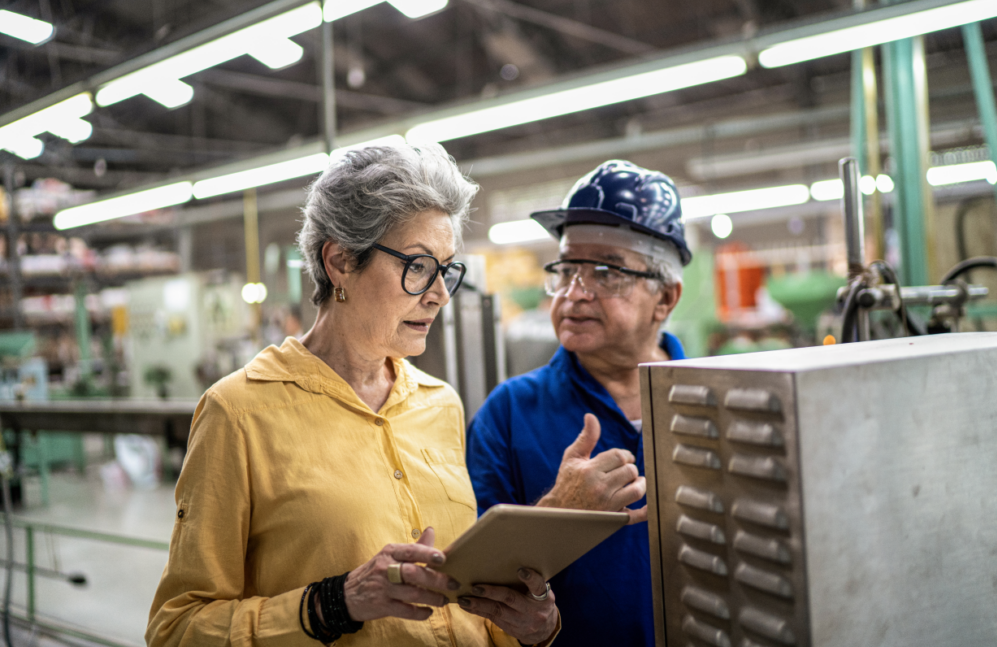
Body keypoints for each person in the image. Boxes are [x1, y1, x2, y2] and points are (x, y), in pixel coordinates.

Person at [147, 143, 559, 647]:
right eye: (417, 266)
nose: (439, 293)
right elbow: (176, 629)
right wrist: (335, 603)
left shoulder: (440, 404)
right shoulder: (239, 413)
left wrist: (530, 628)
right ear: (340, 260)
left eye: (446, 269)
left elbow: (467, 610)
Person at [466, 160, 690, 647]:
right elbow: (471, 584)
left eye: (605, 272)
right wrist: (557, 514)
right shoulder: (508, 414)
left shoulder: (711, 402)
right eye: (566, 270)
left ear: (665, 298)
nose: (573, 294)